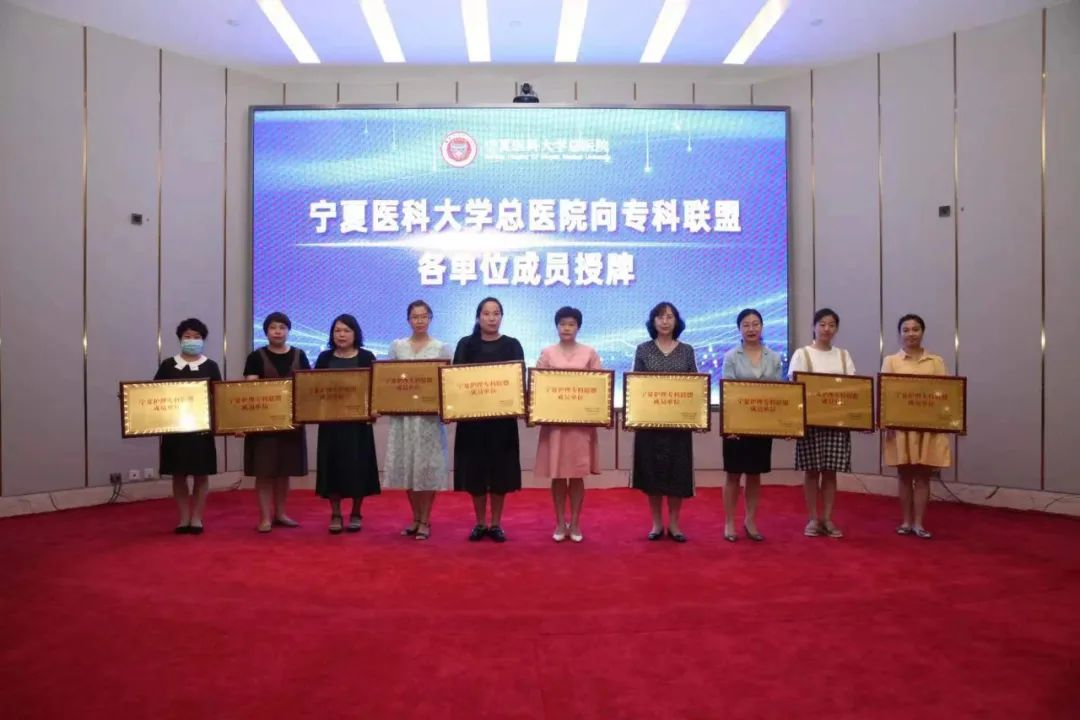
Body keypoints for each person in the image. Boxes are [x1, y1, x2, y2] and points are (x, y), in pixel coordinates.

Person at [452, 297, 525, 543]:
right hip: (472, 422)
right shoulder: (466, 344)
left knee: (500, 473)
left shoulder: (512, 345)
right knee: (475, 473)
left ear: (501, 317)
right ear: (478, 317)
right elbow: (456, 381)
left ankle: (496, 524)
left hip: (501, 423)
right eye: (486, 313)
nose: (491, 318)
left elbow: (518, 380)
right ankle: (480, 523)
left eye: (496, 313)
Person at [384, 300, 452, 541]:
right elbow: (387, 380)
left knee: (427, 469)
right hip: (403, 419)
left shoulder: (441, 348)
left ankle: (425, 519)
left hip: (428, 420)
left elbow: (447, 384)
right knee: (408, 467)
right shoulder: (397, 347)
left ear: (430, 319)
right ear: (408, 320)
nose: (419, 320)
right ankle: (414, 517)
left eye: (424, 316)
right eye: (415, 316)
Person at [631, 302, 697, 543]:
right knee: (653, 475)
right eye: (660, 317)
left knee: (677, 474)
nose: (665, 321)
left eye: (669, 316)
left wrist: (696, 416)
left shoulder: (687, 350)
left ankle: (675, 524)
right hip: (650, 425)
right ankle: (657, 523)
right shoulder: (643, 350)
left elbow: (695, 386)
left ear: (676, 321)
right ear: (653, 321)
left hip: (678, 426)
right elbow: (636, 386)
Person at [534, 306, 602, 543]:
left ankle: (575, 522)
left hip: (579, 426)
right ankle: (559, 522)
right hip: (556, 425)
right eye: (562, 324)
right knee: (558, 475)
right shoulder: (547, 353)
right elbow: (537, 386)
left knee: (576, 475)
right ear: (557, 326)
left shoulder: (589, 353)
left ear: (578, 327)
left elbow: (599, 387)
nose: (566, 328)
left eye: (571, 324)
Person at [788, 308, 856, 539]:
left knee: (830, 472)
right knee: (811, 472)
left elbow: (852, 390)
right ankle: (812, 519)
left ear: (836, 329)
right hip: (811, 423)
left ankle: (827, 518)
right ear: (814, 327)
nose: (826, 329)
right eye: (822, 324)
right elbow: (795, 389)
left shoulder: (843, 356)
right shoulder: (802, 354)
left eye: (831, 325)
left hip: (836, 422)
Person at [882, 314, 951, 539]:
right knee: (904, 475)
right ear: (899, 334)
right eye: (906, 329)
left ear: (922, 332)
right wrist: (886, 420)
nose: (911, 333)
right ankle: (906, 521)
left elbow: (945, 394)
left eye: (915, 329)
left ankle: (919, 524)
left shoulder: (936, 362)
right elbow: (885, 394)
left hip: (927, 427)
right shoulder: (891, 361)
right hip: (901, 427)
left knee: (923, 476)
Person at [243, 312, 310, 533]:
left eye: (282, 327)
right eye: (273, 328)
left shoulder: (300, 355)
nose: (278, 331)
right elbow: (249, 390)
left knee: (284, 472)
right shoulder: (256, 357)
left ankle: (280, 514)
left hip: (291, 424)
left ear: (288, 331)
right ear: (266, 332)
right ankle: (264, 518)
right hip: (263, 426)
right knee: (264, 472)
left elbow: (307, 387)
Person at [313, 314, 380, 534]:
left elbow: (376, 388)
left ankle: (356, 513)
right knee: (332, 467)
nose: (341, 335)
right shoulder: (324, 358)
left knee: (358, 467)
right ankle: (335, 513)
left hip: (358, 425)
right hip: (331, 424)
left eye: (346, 330)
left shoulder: (366, 356)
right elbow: (313, 389)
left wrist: (374, 409)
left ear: (355, 333)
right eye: (337, 331)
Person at [153, 318, 221, 535]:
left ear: (203, 340)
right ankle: (183, 518)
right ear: (180, 339)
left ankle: (197, 518)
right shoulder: (168, 365)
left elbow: (219, 397)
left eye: (197, 337)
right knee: (178, 474)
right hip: (175, 430)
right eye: (187, 336)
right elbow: (153, 395)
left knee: (201, 475)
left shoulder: (211, 366)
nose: (192, 340)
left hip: (201, 430)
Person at [721, 308, 783, 542]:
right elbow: (728, 393)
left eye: (755, 324)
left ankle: (750, 520)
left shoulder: (773, 357)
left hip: (761, 425)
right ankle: (729, 522)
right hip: (737, 425)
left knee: (755, 475)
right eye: (746, 325)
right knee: (733, 475)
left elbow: (778, 394)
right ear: (739, 329)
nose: (751, 329)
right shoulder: (731, 356)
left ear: (762, 327)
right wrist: (730, 425)